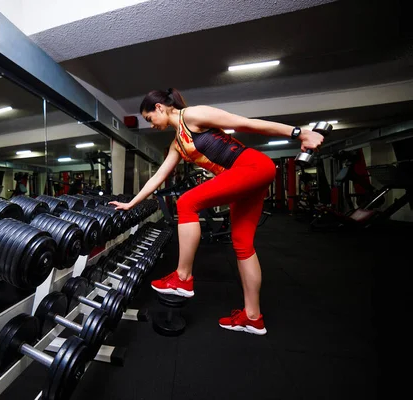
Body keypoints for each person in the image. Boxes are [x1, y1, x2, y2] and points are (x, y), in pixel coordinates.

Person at [109, 88, 324, 335]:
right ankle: (253, 317)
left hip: (252, 166)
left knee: (186, 202)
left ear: (160, 107)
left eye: (149, 119)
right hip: (244, 179)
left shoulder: (193, 115)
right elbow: (159, 176)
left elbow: (245, 123)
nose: (151, 125)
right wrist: (131, 203)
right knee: (242, 244)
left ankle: (182, 276)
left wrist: (299, 133)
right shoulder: (177, 144)